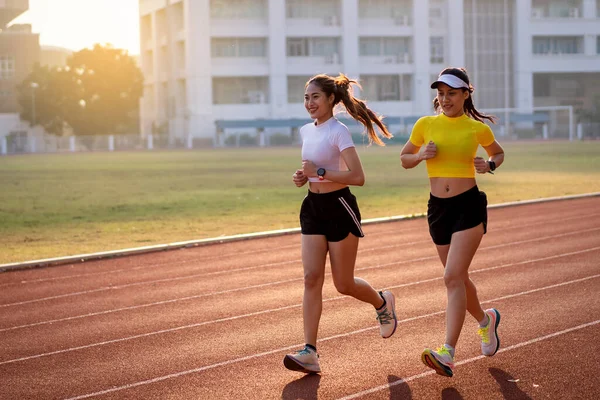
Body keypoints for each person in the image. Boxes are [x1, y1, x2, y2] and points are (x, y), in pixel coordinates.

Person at [283, 73, 397, 374]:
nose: (309, 103)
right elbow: (314, 171)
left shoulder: (339, 132)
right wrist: (303, 177)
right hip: (312, 207)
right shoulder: (305, 131)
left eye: (315, 97)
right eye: (306, 97)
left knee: (343, 283)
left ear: (331, 99)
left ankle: (382, 302)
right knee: (310, 278)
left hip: (339, 207)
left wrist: (319, 171)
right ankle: (310, 351)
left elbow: (357, 177)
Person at [400, 67, 505, 377]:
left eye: (451, 94)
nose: (445, 99)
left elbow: (497, 153)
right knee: (458, 278)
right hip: (438, 210)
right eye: (441, 94)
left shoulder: (476, 129)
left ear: (465, 95)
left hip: (468, 207)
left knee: (451, 277)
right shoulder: (425, 125)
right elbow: (405, 158)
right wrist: (421, 156)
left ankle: (447, 352)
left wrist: (488, 165)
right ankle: (486, 322)